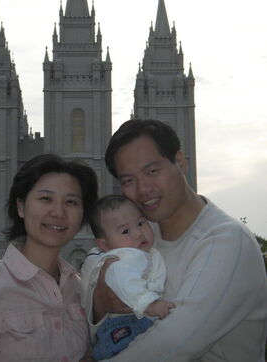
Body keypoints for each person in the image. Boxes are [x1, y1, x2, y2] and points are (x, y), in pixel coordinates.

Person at [89, 119, 267, 361]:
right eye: (128, 181)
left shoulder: (227, 241)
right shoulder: (141, 233)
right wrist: (99, 303)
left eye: (152, 171)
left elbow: (174, 345)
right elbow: (94, 282)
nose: (143, 190)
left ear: (180, 162)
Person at [0, 154, 98, 362]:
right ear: (21, 207)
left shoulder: (81, 289)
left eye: (71, 202)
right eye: (46, 198)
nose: (58, 212)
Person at [81, 194, 174, 360]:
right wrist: (150, 304)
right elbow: (125, 281)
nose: (138, 233)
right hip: (124, 326)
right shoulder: (122, 258)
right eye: (125, 231)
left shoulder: (145, 252)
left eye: (140, 223)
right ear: (105, 245)